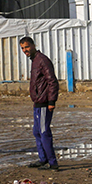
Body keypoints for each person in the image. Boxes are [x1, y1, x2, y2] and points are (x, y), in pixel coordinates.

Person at [20, 36, 59, 170]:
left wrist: (51, 101)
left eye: (26, 47)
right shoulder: (34, 60)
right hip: (37, 103)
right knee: (37, 132)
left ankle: (52, 163)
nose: (25, 50)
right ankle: (43, 159)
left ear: (33, 45)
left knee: (44, 132)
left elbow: (52, 81)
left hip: (44, 103)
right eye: (23, 48)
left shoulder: (42, 60)